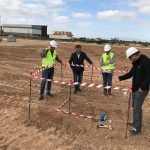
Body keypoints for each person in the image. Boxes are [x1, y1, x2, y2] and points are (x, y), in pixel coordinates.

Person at [118, 47, 150, 136]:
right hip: (135, 89)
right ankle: (136, 123)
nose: (129, 59)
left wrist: (142, 87)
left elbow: (148, 76)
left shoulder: (146, 62)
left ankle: (137, 129)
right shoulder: (136, 63)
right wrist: (120, 78)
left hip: (141, 90)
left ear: (134, 55)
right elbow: (131, 73)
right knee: (134, 107)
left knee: (137, 108)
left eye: (129, 57)